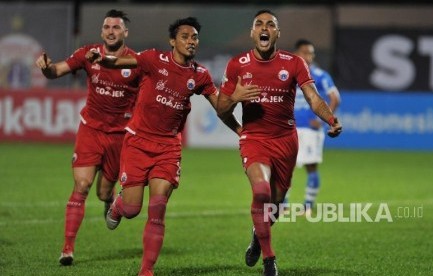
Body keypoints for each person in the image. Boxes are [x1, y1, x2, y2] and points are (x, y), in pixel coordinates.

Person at [85, 17, 244, 276]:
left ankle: (146, 270)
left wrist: (239, 127)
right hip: (137, 143)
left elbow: (221, 109)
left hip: (168, 148)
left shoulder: (199, 75)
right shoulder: (153, 59)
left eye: (194, 37)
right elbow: (119, 61)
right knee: (133, 209)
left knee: (158, 208)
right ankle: (118, 205)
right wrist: (100, 59)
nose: (191, 41)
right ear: (173, 41)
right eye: (185, 37)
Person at [216, 10, 342, 276]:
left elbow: (313, 98)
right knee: (261, 193)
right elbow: (221, 109)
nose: (264, 28)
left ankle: (256, 237)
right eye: (259, 24)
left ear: (277, 33)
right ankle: (270, 261)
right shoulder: (237, 64)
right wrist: (235, 97)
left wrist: (331, 119)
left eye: (270, 24)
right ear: (252, 33)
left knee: (274, 205)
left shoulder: (294, 63)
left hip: (286, 141)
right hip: (255, 139)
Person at [35, 10, 142, 266]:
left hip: (118, 136)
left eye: (116, 27)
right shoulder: (88, 53)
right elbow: (57, 70)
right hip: (90, 130)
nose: (111, 31)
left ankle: (109, 200)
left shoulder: (136, 62)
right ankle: (67, 248)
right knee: (81, 185)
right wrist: (47, 68)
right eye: (107, 27)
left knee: (104, 192)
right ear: (101, 31)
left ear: (125, 32)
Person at [285, 39, 341, 215]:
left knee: (311, 166)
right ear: (296, 54)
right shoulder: (288, 74)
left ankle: (308, 206)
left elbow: (335, 98)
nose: (308, 56)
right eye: (304, 52)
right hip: (290, 128)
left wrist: (325, 119)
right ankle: (283, 205)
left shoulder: (321, 75)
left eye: (311, 53)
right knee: (285, 167)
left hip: (310, 130)